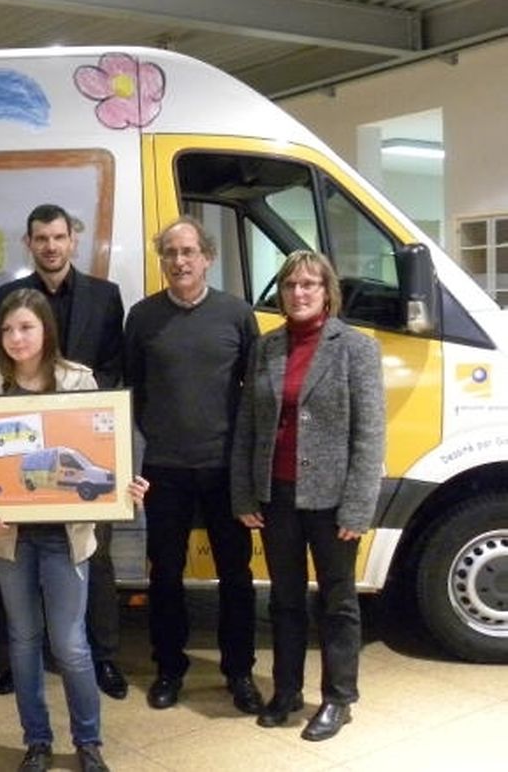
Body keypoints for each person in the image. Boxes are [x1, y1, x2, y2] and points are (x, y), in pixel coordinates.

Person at [0, 288, 147, 772]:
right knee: (23, 639)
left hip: (65, 535)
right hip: (10, 537)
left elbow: (104, 449)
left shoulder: (79, 380)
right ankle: (37, 741)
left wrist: (125, 484)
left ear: (46, 329)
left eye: (26, 327)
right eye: (7, 329)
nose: (16, 338)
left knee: (70, 643)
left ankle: (88, 742)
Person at [231, 250, 385, 742]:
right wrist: (244, 494)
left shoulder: (356, 348)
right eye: (290, 284)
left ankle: (339, 698)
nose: (298, 293)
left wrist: (358, 507)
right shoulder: (267, 347)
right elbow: (248, 426)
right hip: (275, 494)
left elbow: (370, 435)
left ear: (326, 291)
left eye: (309, 284)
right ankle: (287, 691)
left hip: (333, 500)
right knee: (284, 599)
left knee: (338, 601)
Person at [124, 217, 263, 713]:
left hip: (225, 469)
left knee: (236, 574)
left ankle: (239, 671)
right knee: (164, 574)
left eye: (188, 252)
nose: (179, 261)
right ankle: (169, 668)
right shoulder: (142, 317)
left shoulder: (237, 315)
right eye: (170, 253)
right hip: (164, 467)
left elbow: (254, 395)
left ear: (208, 257)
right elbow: (133, 389)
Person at [0, 203, 127, 700]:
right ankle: (22, 660)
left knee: (94, 553)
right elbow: (2, 366)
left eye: (58, 237)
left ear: (73, 239)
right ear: (28, 243)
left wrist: (76, 418)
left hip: (83, 449)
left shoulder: (106, 295)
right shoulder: (9, 297)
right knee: (17, 553)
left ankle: (104, 656)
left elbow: (113, 366)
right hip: (28, 456)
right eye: (41, 238)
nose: (50, 246)